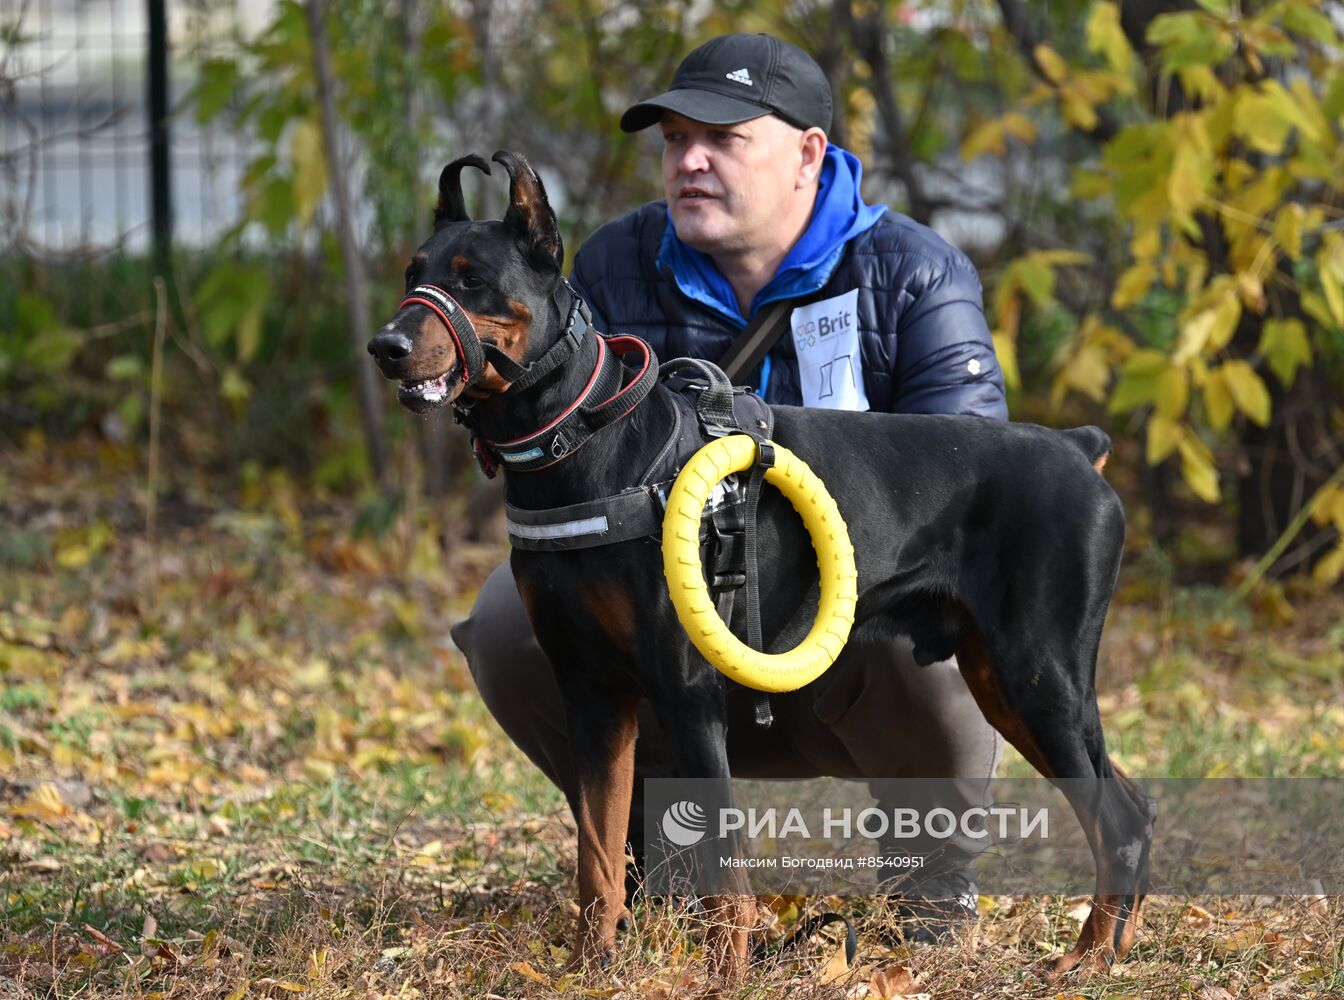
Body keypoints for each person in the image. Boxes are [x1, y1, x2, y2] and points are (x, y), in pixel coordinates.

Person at [452, 32, 1008, 939]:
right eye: (673, 140)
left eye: (723, 138)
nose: (689, 161)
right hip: (681, 647)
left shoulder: (916, 275)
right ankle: (668, 851)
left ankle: (930, 884)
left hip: (844, 644)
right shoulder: (610, 267)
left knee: (935, 621)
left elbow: (970, 495)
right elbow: (556, 471)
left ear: (808, 153)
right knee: (513, 622)